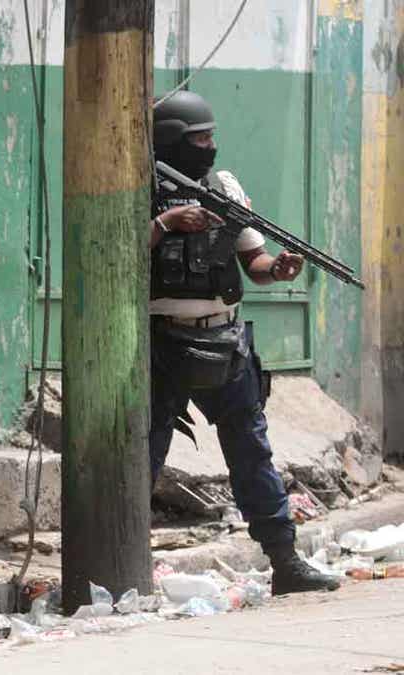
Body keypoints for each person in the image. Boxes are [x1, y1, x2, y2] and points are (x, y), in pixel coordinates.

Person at [148, 91, 339, 596]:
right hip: (159, 344)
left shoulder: (221, 185)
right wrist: (167, 223)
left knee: (252, 451)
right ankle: (120, 565)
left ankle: (285, 561)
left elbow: (253, 263)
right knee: (142, 456)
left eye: (213, 137)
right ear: (171, 141)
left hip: (225, 340)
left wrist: (276, 269)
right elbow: (112, 248)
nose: (210, 147)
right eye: (200, 139)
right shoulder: (135, 183)